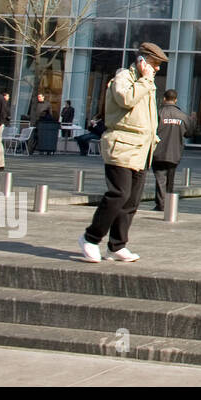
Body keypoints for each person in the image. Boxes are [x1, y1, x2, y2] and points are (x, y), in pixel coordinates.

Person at [77, 43, 166, 263]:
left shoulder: (148, 84)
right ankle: (90, 238)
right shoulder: (124, 78)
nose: (157, 70)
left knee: (131, 201)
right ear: (142, 61)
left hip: (141, 149)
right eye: (154, 64)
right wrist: (145, 80)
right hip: (122, 145)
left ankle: (117, 245)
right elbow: (126, 99)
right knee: (119, 194)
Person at [152, 89, 194, 212]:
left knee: (160, 179)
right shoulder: (183, 116)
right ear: (175, 100)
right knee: (170, 179)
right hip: (175, 153)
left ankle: (161, 205)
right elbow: (189, 133)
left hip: (159, 152)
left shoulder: (158, 113)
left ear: (164, 99)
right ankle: (169, 205)